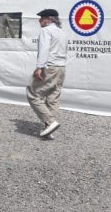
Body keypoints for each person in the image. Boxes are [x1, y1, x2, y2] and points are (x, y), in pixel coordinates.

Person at [27, 8, 68, 139]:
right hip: (61, 68)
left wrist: (39, 67)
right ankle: (49, 129)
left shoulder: (46, 30)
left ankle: (50, 122)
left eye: (42, 18)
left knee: (32, 93)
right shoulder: (62, 32)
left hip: (49, 67)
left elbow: (44, 49)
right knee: (53, 98)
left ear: (49, 19)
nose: (39, 20)